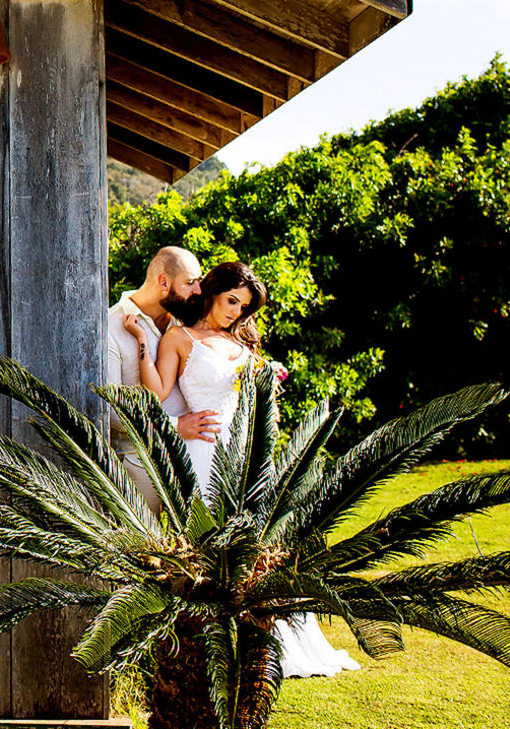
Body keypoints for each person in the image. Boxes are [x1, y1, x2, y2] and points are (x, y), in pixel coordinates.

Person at [123, 260, 361, 679]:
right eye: (232, 300)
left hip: (245, 456)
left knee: (252, 551)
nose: (236, 312)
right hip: (201, 453)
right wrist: (143, 340)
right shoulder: (179, 338)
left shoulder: (241, 343)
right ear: (212, 293)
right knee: (202, 550)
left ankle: (258, 640)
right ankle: (198, 642)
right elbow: (157, 393)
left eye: (244, 306)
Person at [104, 246, 219, 512]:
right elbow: (110, 409)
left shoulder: (186, 325)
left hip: (197, 457)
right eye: (190, 283)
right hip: (140, 465)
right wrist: (175, 426)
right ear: (163, 282)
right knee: (145, 551)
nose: (198, 290)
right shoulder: (110, 328)